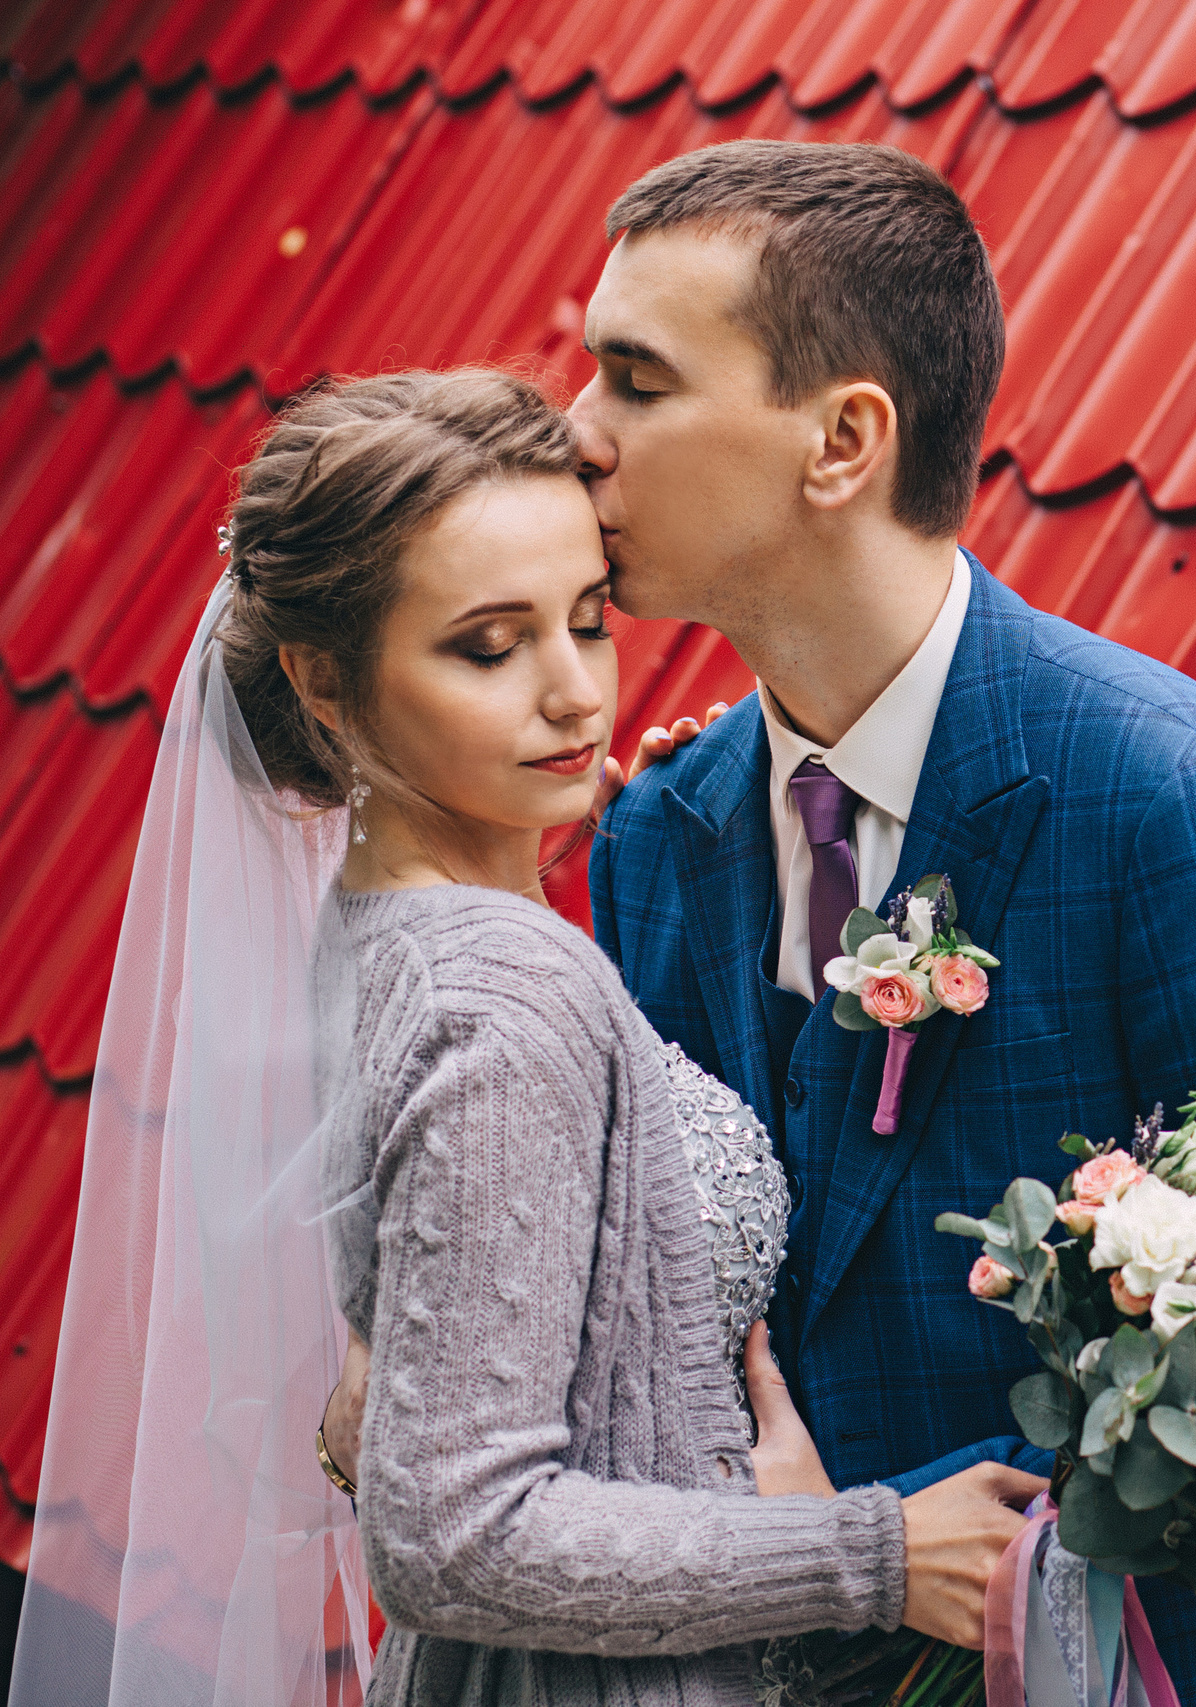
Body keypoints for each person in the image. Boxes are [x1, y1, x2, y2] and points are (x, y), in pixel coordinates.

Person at [13, 365, 1043, 1707]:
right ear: (324, 683)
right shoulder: (499, 991)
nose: (573, 694)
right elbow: (455, 1537)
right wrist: (871, 1551)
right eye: (488, 647)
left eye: (587, 622)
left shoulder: (372, 930)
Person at [573, 141, 1196, 1706]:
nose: (578, 440)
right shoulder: (653, 838)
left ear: (843, 440)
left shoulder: (1165, 800)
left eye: (637, 379)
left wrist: (876, 1539)